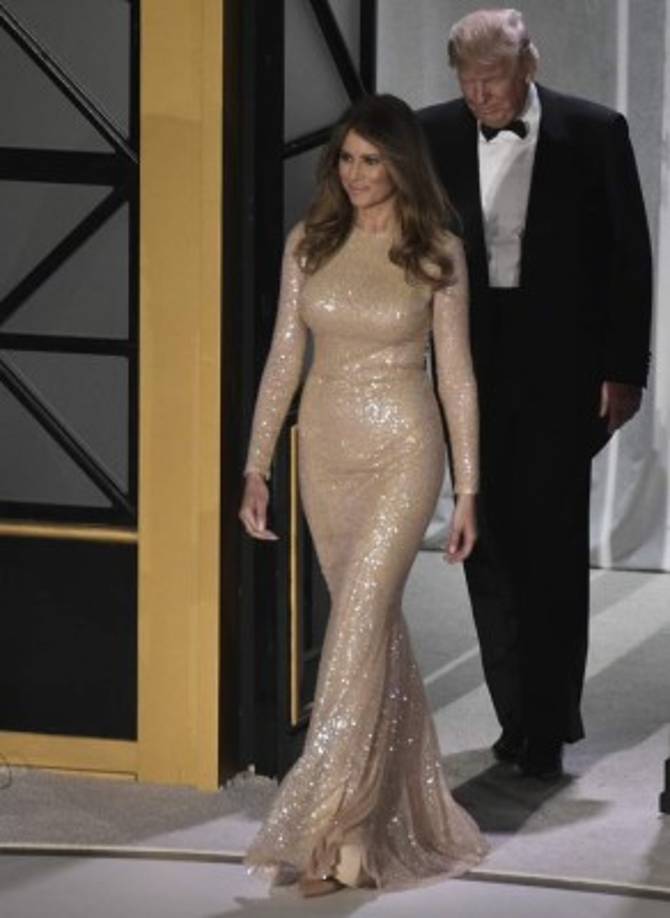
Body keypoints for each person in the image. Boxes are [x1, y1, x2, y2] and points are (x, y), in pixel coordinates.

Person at [239, 93, 487, 895]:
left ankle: (329, 831)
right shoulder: (309, 244)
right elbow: (284, 359)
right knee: (370, 629)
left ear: (401, 164)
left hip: (404, 450)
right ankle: (399, 812)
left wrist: (469, 488)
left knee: (353, 628)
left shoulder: (436, 251)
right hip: (329, 449)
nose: (355, 175)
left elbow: (456, 378)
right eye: (345, 159)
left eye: (371, 161)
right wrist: (258, 466)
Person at [420, 8, 652, 780]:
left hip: (562, 370)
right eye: (469, 80)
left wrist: (626, 371)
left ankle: (549, 722)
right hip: (467, 362)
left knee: (550, 546)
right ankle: (514, 714)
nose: (482, 95)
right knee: (483, 541)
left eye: (494, 79)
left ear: (529, 68)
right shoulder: (431, 136)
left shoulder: (595, 131)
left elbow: (629, 258)